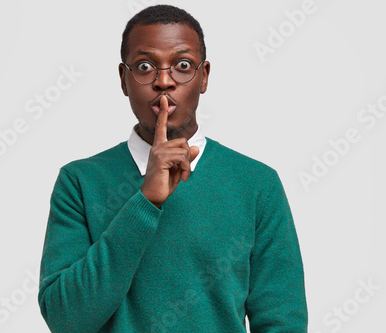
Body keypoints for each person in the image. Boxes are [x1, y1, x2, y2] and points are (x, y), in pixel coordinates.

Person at [38, 4, 307, 333]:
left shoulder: (257, 184)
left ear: (204, 76)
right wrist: (145, 202)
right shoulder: (79, 182)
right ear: (124, 80)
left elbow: (283, 321)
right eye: (145, 66)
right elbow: (66, 320)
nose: (163, 81)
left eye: (182, 65)